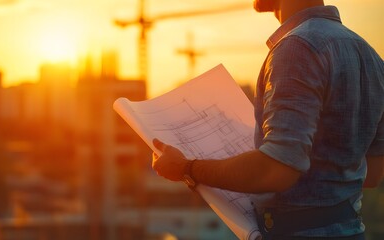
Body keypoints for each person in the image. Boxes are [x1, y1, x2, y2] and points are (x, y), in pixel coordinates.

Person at [151, 0, 384, 239]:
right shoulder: (369, 55)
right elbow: (373, 172)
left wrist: (186, 168)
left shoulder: (296, 48)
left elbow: (278, 169)